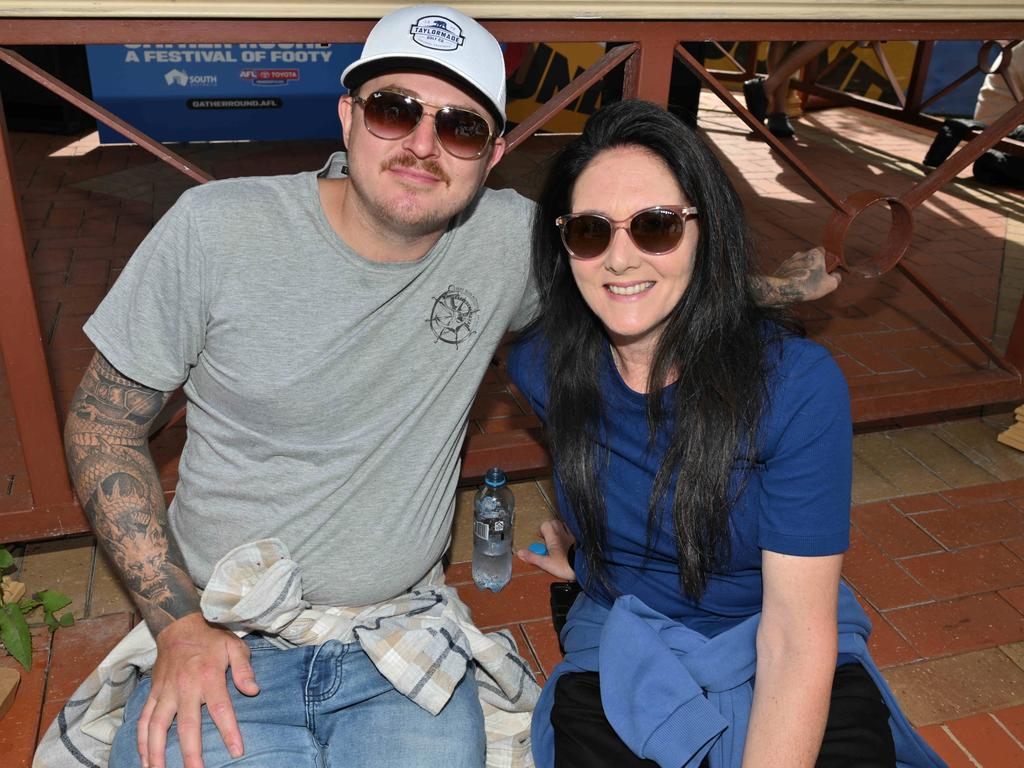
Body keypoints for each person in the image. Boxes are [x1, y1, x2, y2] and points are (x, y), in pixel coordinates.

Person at [46, 6, 838, 768]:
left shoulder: (504, 240)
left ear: (492, 155)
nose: (425, 144)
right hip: (227, 632)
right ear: (348, 116)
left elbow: (637, 276)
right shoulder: (216, 228)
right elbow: (102, 426)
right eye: (397, 110)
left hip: (400, 642)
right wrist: (177, 624)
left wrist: (768, 287)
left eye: (461, 126)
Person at [509, 100, 943, 767]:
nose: (619, 259)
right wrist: (584, 545)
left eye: (655, 227)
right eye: (592, 232)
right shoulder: (543, 368)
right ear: (564, 245)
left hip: (769, 626)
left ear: (705, 233)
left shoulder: (795, 386)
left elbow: (797, 637)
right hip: (627, 634)